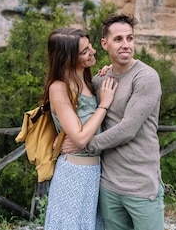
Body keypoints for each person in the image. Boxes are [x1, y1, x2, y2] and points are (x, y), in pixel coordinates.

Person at [64, 13, 165, 230]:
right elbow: (79, 104)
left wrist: (85, 144)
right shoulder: (101, 80)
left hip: (141, 185)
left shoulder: (146, 77)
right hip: (108, 186)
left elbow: (127, 129)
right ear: (104, 43)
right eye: (118, 39)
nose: (126, 45)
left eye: (130, 38)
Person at [43, 27, 118, 230]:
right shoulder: (59, 87)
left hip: (94, 171)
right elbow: (81, 138)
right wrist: (104, 104)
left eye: (90, 46)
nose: (93, 51)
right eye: (84, 51)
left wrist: (107, 72)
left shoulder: (87, 80)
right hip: (74, 172)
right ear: (67, 58)